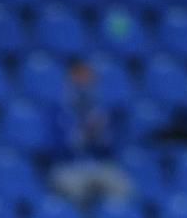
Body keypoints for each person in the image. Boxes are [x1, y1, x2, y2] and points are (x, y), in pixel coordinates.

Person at [51, 60, 133, 206]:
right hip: (70, 167)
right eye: (79, 79)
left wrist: (101, 134)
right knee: (75, 191)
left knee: (124, 189)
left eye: (87, 79)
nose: (83, 84)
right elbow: (56, 148)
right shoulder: (59, 111)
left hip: (99, 165)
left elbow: (111, 149)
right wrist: (83, 134)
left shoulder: (101, 111)